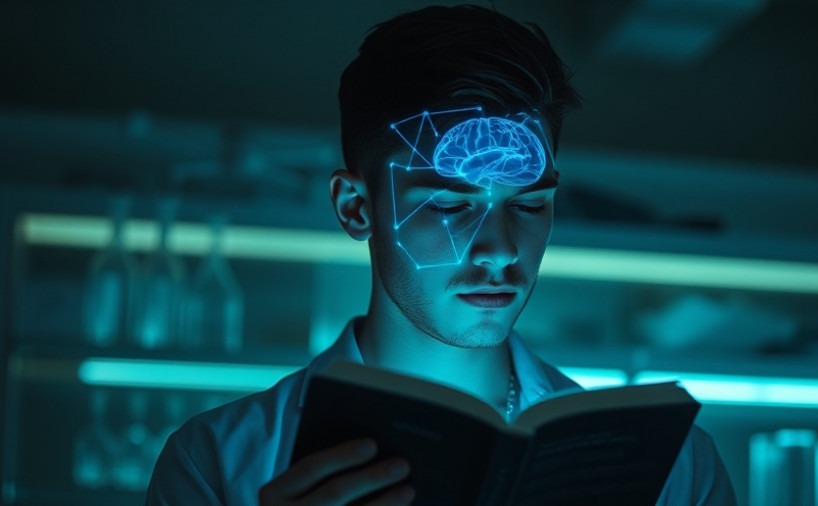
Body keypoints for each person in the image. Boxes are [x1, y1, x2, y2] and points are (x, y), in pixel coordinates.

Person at [146, 5, 736, 505]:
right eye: (450, 207)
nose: (501, 250)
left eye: (529, 206)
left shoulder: (672, 471)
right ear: (356, 208)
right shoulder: (218, 465)